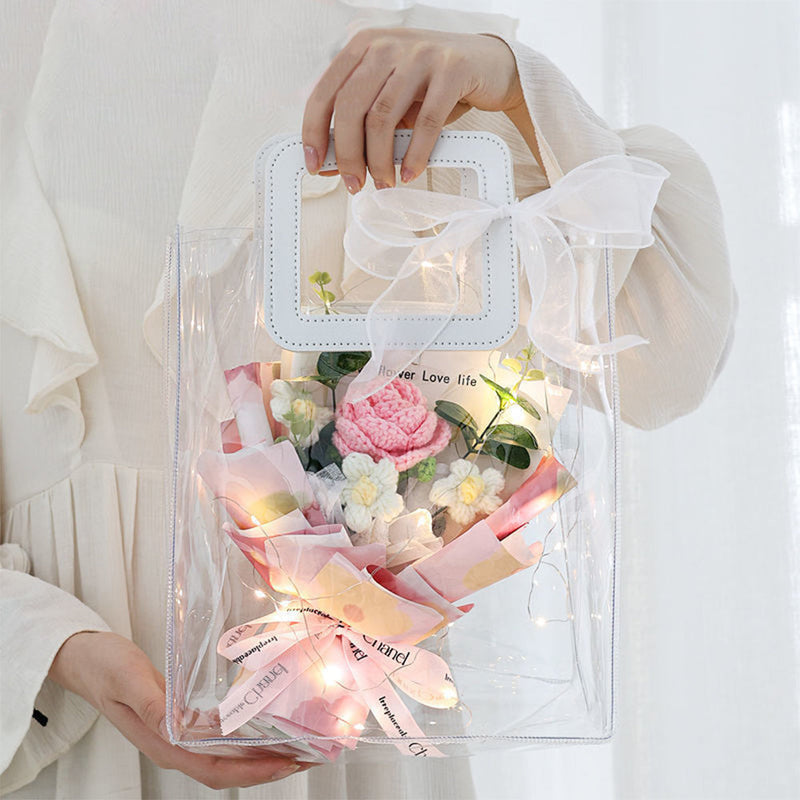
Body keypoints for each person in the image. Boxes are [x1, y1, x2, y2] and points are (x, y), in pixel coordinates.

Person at [0, 2, 736, 797]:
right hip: (75, 707)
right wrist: (53, 644)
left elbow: (668, 361)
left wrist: (517, 89)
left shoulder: (392, 28)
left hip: (362, 703)